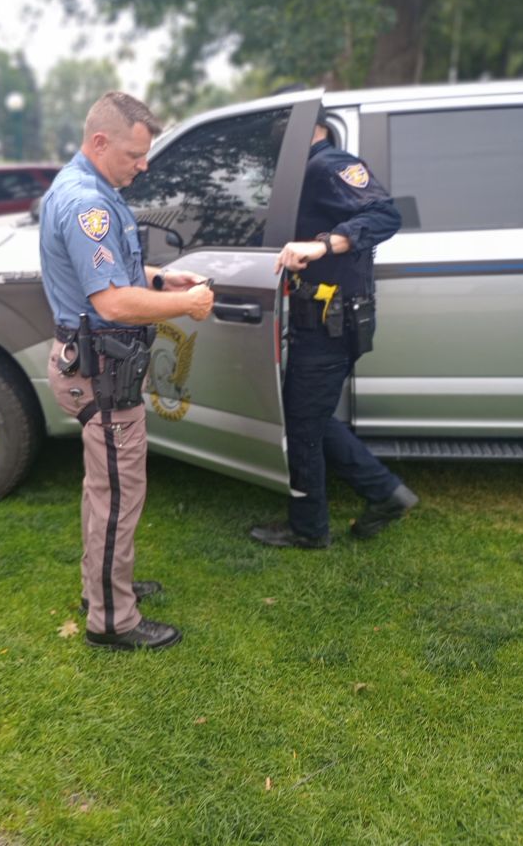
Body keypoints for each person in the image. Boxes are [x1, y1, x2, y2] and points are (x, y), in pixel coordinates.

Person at [40, 91, 214, 650]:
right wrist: (188, 307)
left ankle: (107, 587)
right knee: (117, 495)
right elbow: (113, 303)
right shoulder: (85, 204)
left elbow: (119, 269)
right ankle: (113, 620)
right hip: (102, 374)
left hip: (97, 365)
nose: (144, 165)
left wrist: (163, 281)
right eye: (135, 155)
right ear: (99, 142)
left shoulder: (92, 190)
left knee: (105, 491)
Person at [250, 108, 418, 549]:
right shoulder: (308, 172)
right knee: (310, 416)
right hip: (323, 321)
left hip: (329, 326)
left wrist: (321, 244)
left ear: (303, 127)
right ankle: (386, 493)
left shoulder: (330, 165)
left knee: (303, 426)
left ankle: (310, 528)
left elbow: (385, 215)